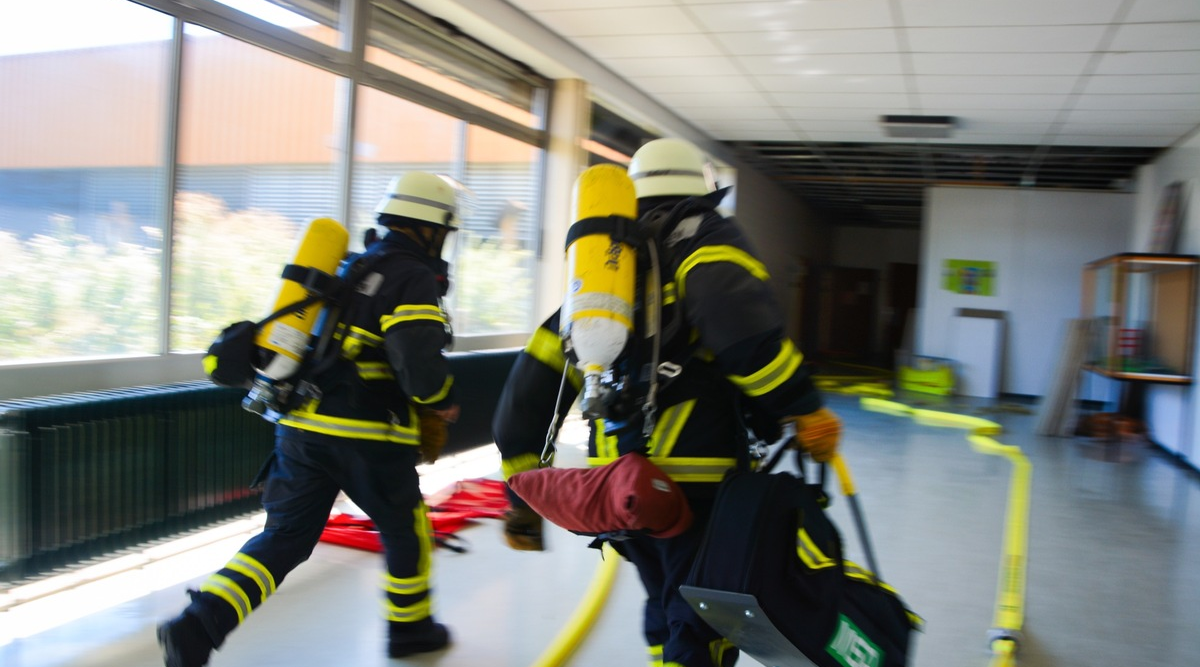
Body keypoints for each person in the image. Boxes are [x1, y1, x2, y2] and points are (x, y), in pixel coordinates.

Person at [492, 138, 842, 667]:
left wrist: (520, 489)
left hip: (618, 487)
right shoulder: (707, 239)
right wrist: (803, 406)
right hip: (695, 484)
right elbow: (747, 342)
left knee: (665, 600)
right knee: (704, 621)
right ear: (700, 194)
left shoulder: (608, 271)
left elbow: (536, 374)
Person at [157, 171, 462, 667]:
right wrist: (441, 399)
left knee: (284, 539)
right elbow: (419, 364)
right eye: (445, 231)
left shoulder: (351, 266)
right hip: (368, 436)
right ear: (431, 227)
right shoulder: (412, 276)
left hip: (299, 426)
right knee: (407, 530)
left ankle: (198, 626)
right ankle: (411, 631)